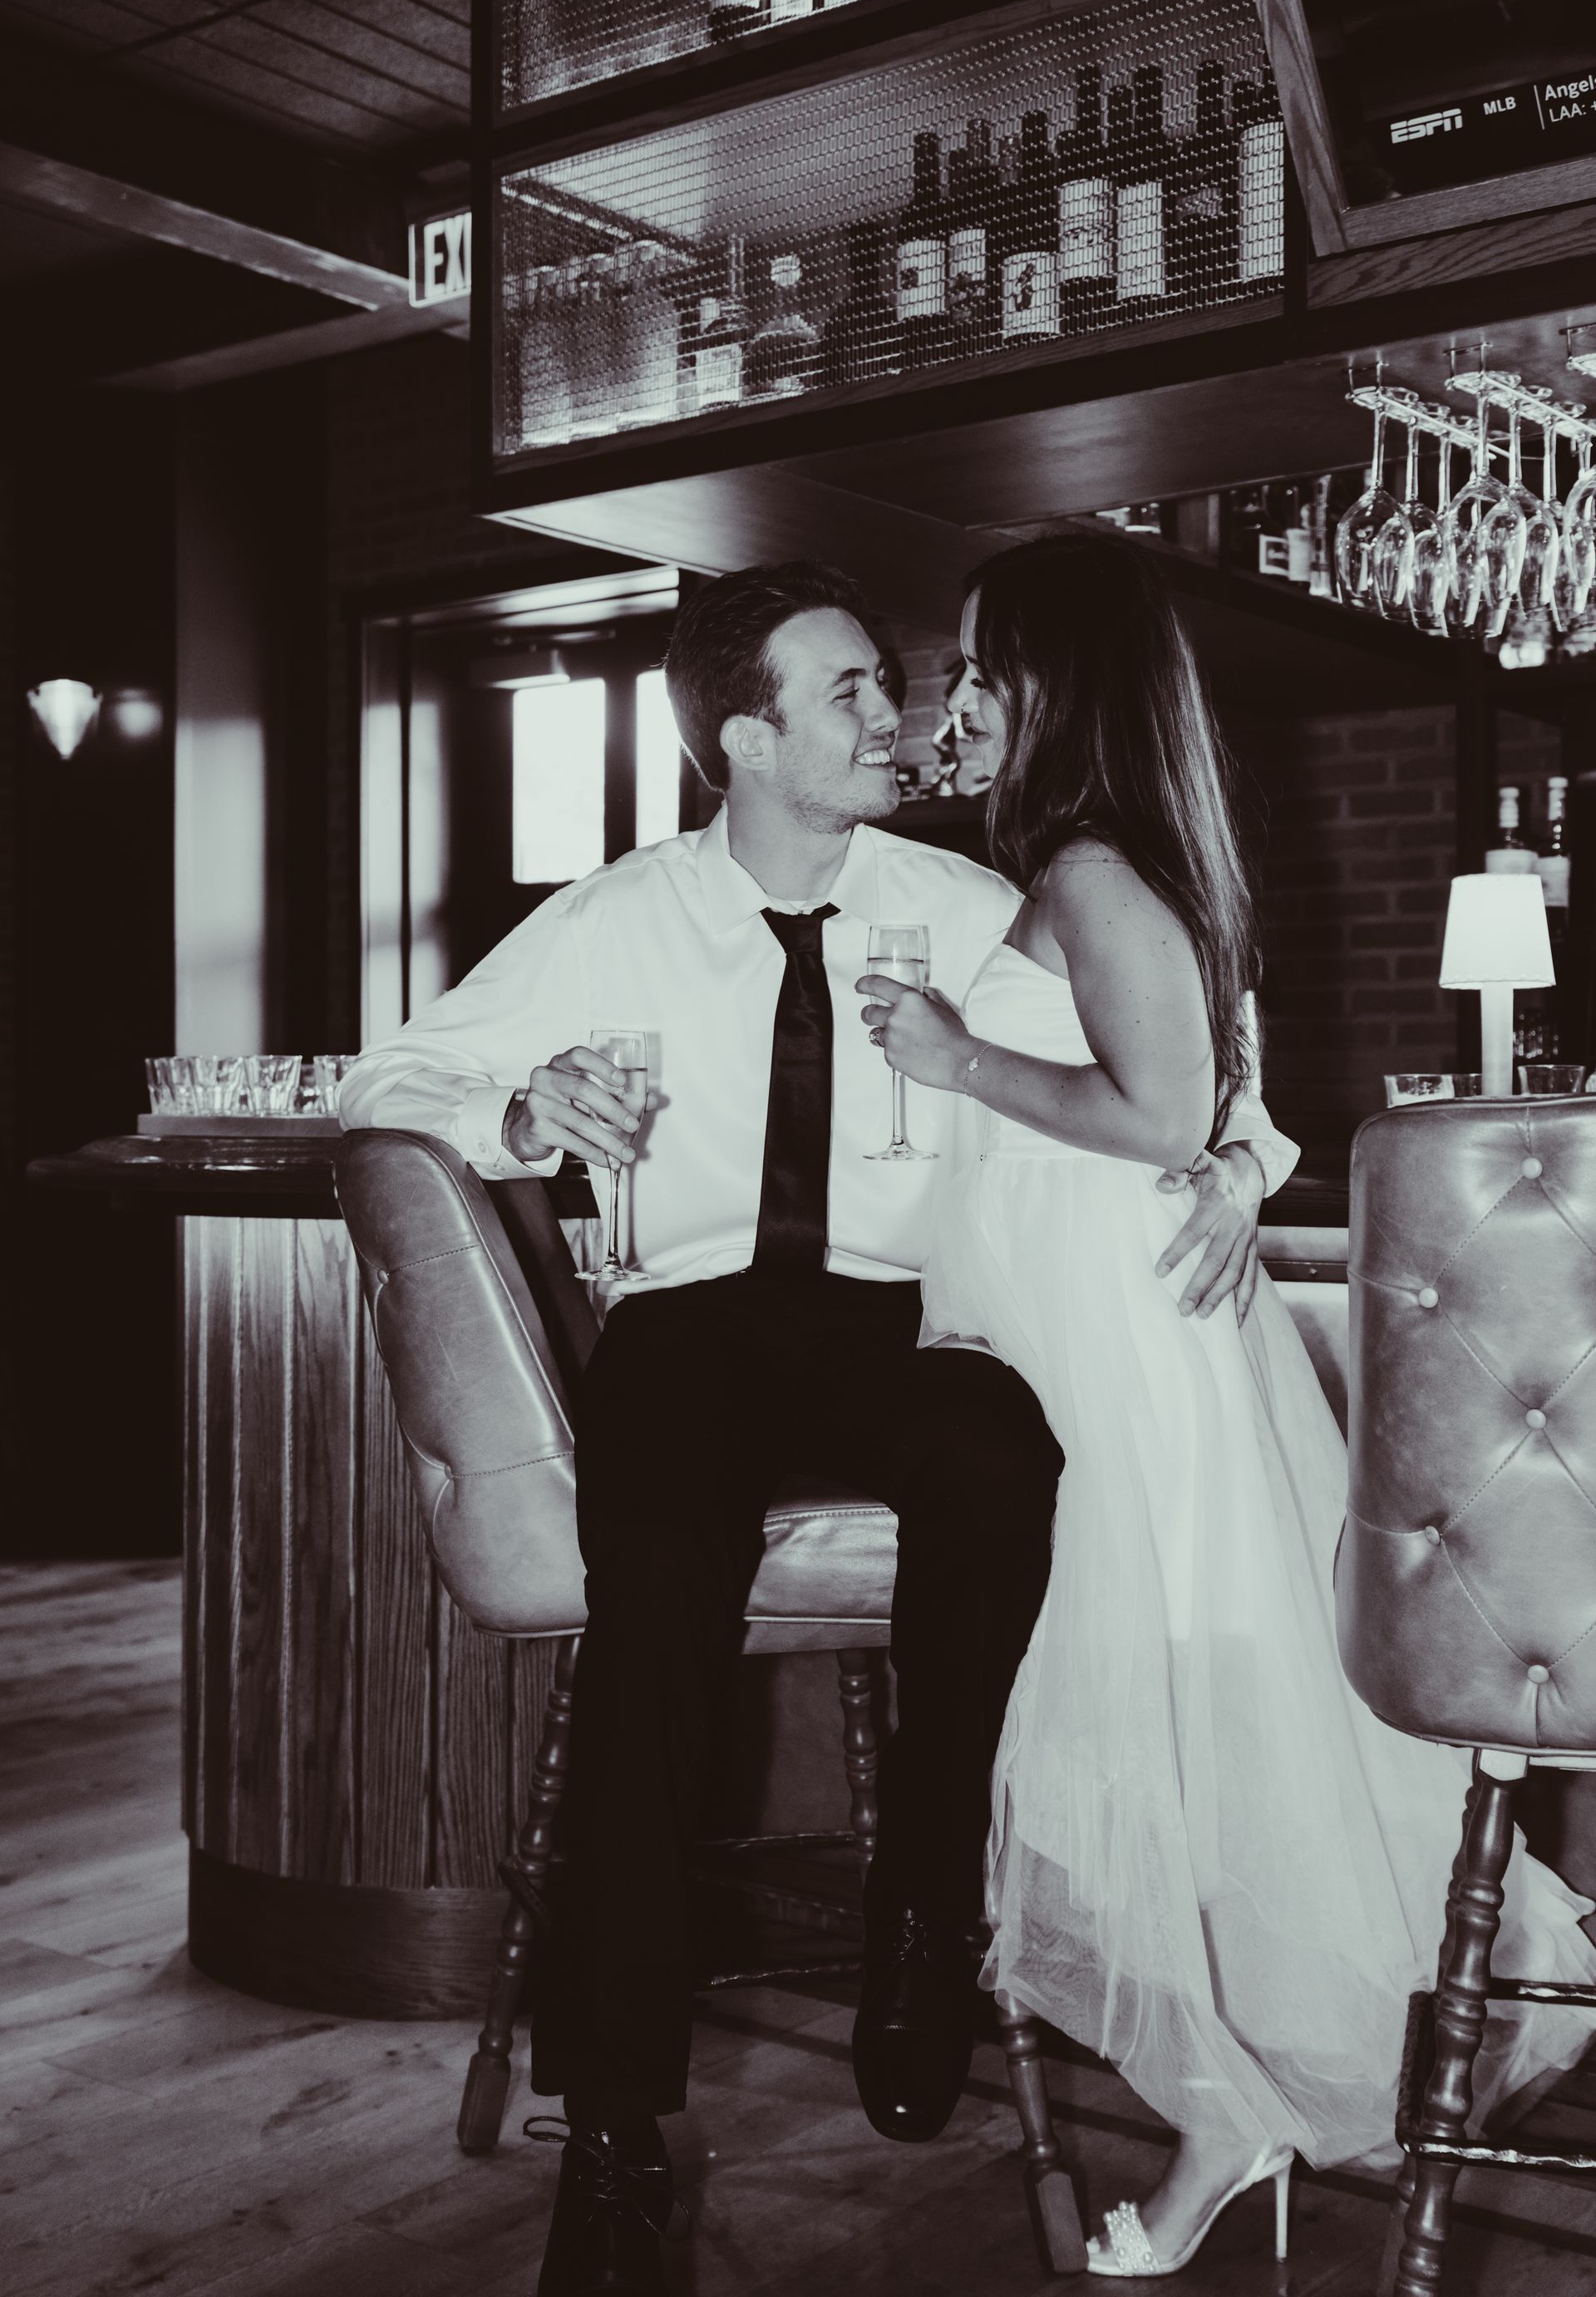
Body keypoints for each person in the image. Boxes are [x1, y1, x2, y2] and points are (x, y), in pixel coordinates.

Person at [338, 559, 1295, 2297]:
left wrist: (1236, 1163)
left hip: (904, 1325)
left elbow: (1200, 1069)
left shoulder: (968, 895)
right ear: (744, 736)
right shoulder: (613, 913)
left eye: (897, 682)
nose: (902, 715)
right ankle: (618, 2134)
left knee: (1002, 1457)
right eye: (852, 690)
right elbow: (382, 1083)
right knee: (649, 1642)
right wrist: (523, 1100)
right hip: (690, 1330)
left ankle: (925, 1904)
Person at [859, 530, 1596, 2280]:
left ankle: (1225, 2117)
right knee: (1172, 1729)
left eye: (983, 665)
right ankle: (1242, 2102)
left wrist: (961, 1063)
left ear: (1056, 683)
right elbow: (1225, 1110)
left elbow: (1164, 1110)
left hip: (1113, 1345)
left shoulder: (1100, 869)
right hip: (1073, 1330)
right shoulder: (1090, 865)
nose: (962, 696)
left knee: (1156, 1728)